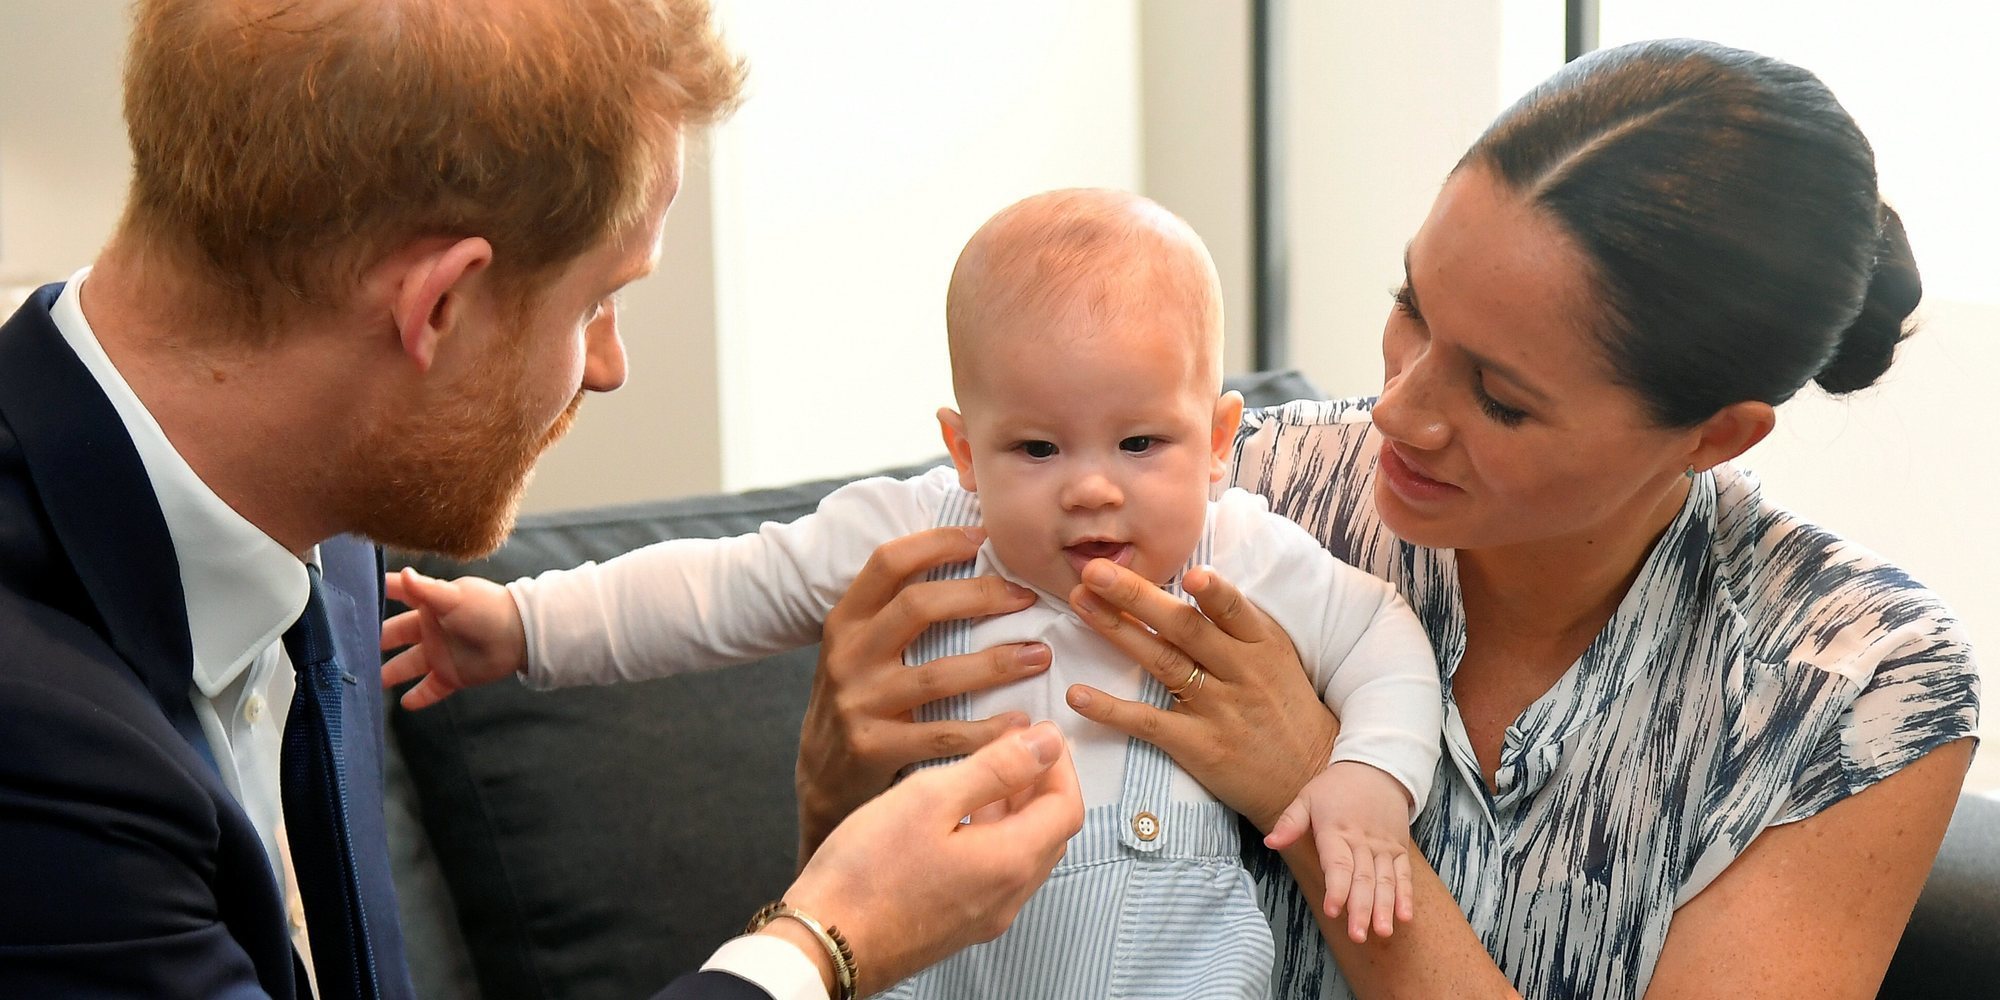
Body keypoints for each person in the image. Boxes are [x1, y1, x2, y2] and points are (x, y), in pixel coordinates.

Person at [792, 38, 1981, 999]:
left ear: (1712, 435)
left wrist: (1314, 791)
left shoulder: (1849, 684)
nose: (1398, 413)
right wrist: (837, 786)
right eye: (1410, 308)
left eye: (1499, 398)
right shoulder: (1232, 491)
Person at [0, 2, 1083, 999]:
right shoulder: (39, 748)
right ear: (441, 304)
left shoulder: (324, 525)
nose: (608, 367)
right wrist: (822, 943)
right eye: (600, 300)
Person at [380, 188, 1445, 998]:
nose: (1089, 487)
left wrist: (1364, 779)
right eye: (1033, 446)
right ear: (962, 450)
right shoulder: (923, 530)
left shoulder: (1241, 552)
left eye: (1139, 442)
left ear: (1216, 442)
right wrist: (523, 626)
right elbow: (720, 587)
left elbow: (1381, 641)